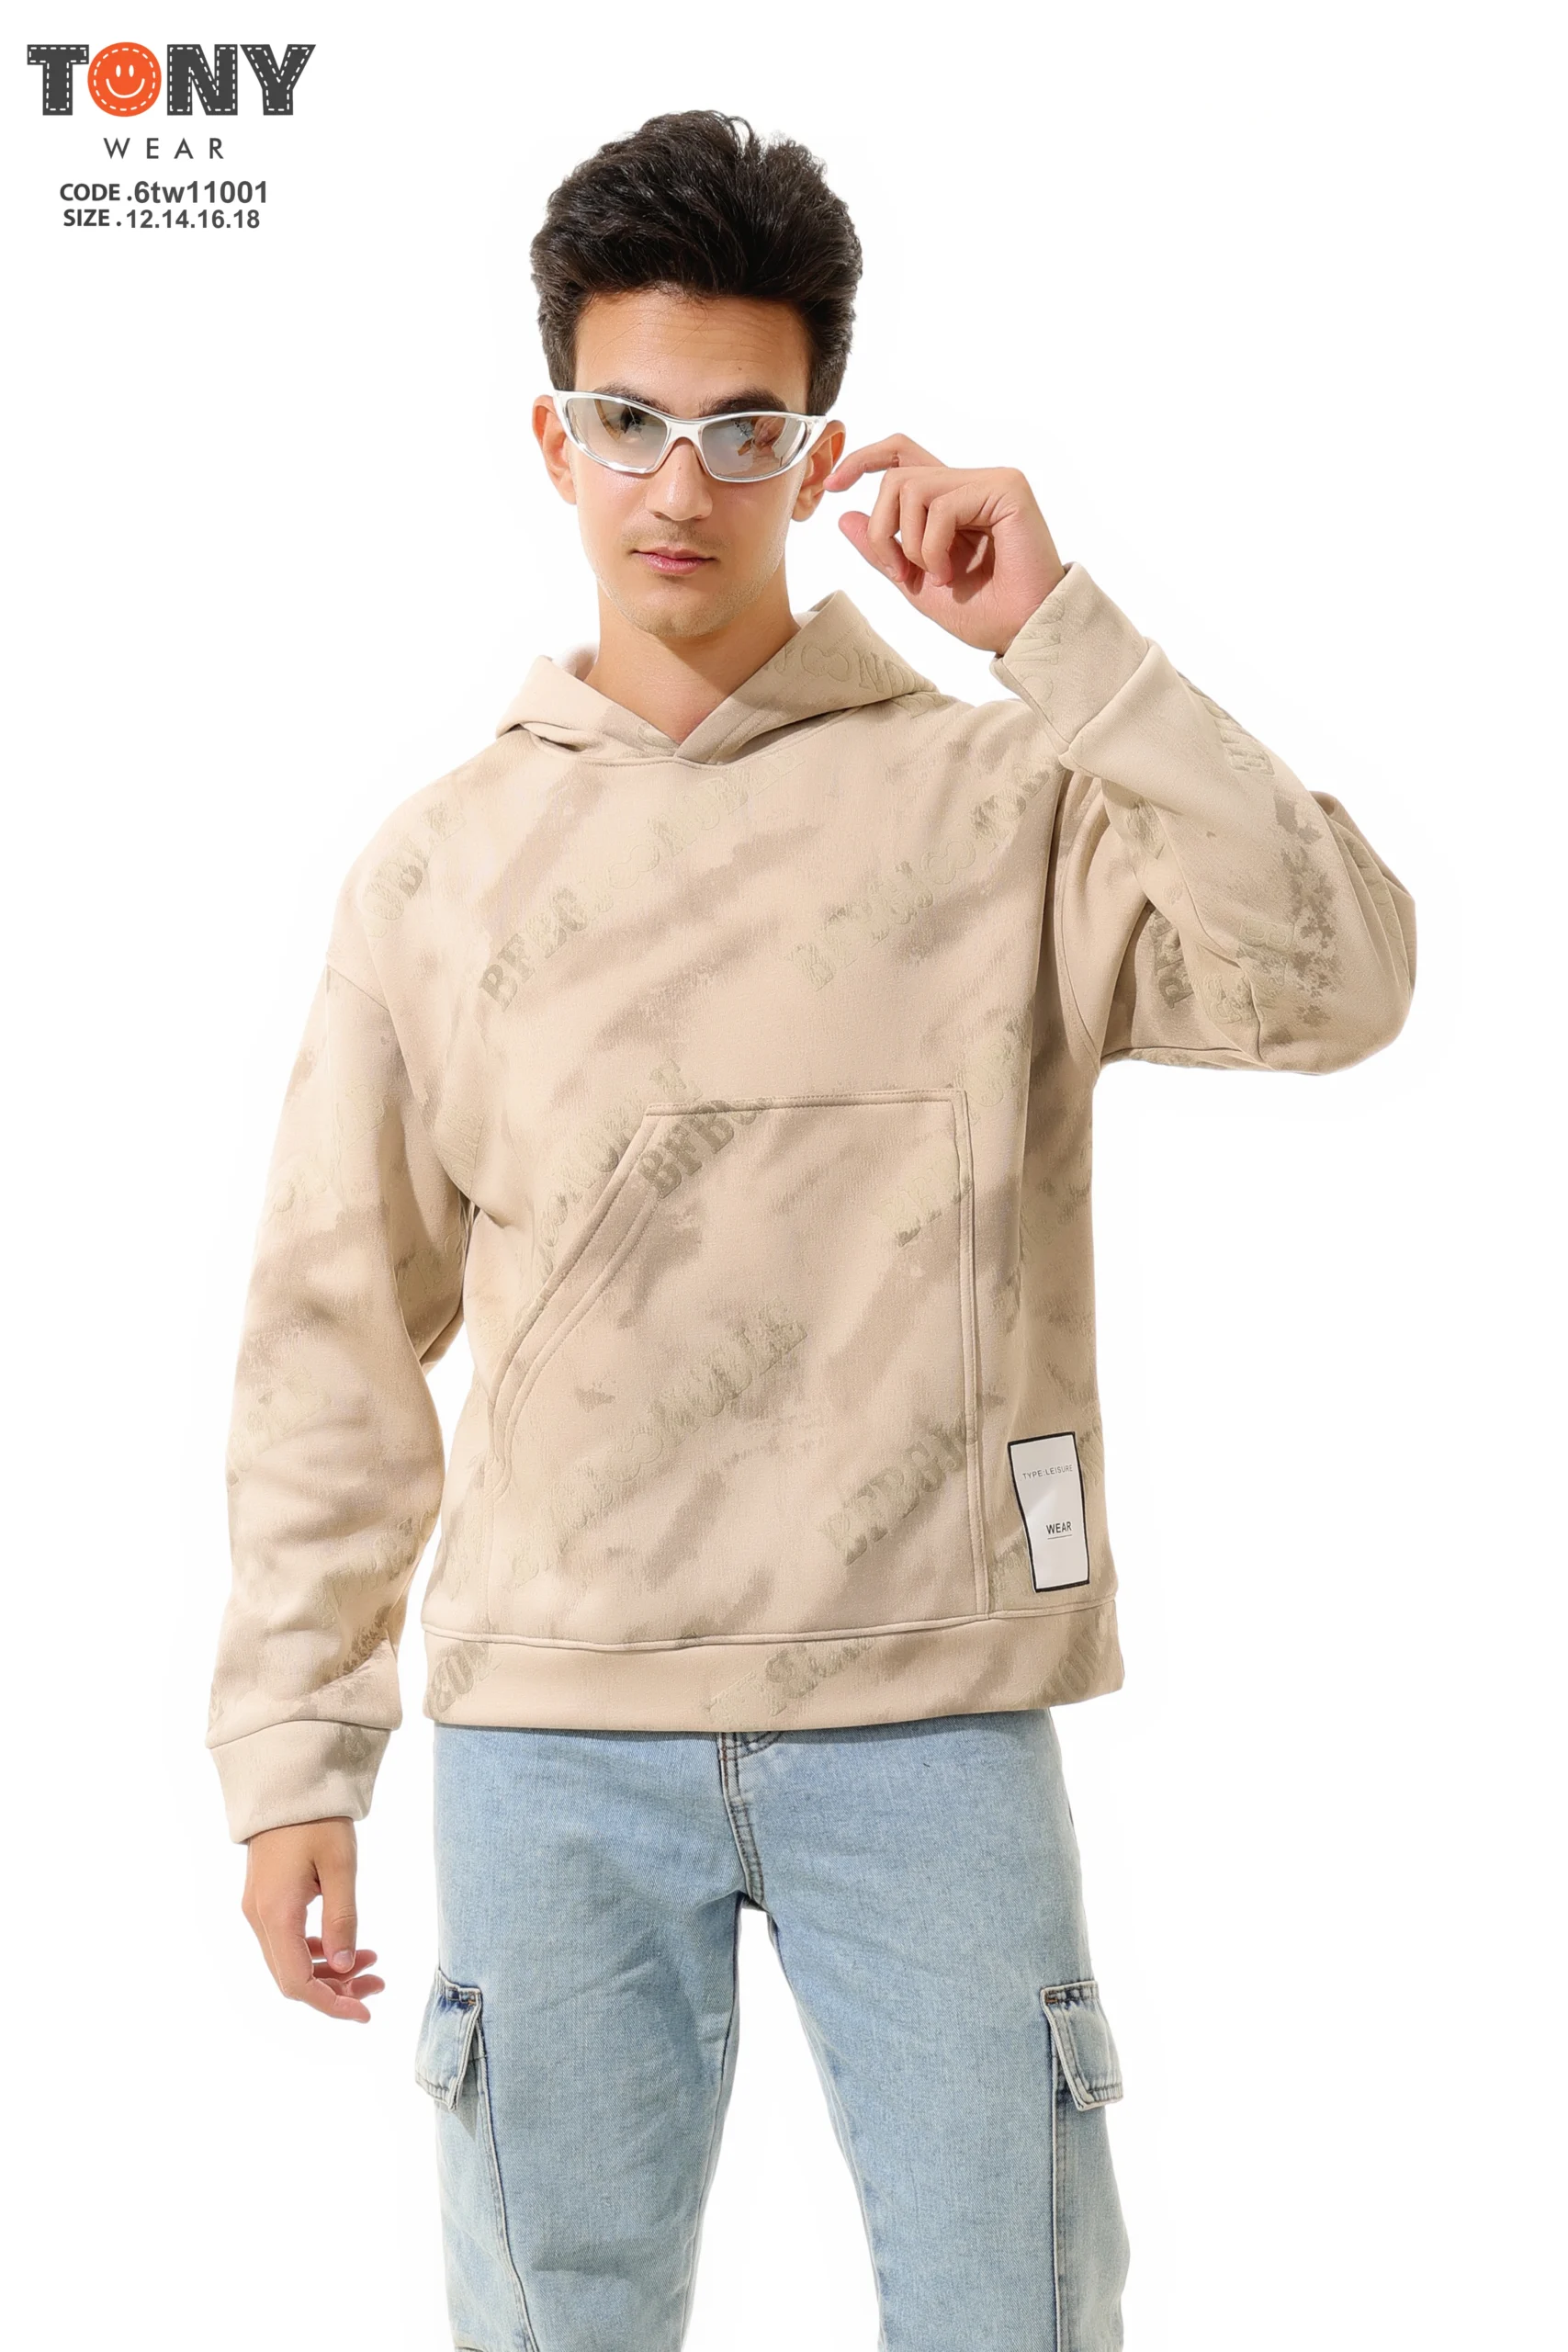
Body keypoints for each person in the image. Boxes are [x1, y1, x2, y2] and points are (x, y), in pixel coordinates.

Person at [206, 108, 1416, 2351]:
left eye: (740, 426)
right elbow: (331, 1334)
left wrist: (1059, 638)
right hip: (555, 1729)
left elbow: (1338, 979)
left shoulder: (1000, 795)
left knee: (1009, 2306)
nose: (680, 482)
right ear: (553, 438)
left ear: (816, 447)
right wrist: (295, 1756)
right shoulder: (436, 867)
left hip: (927, 1708)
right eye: (629, 421)